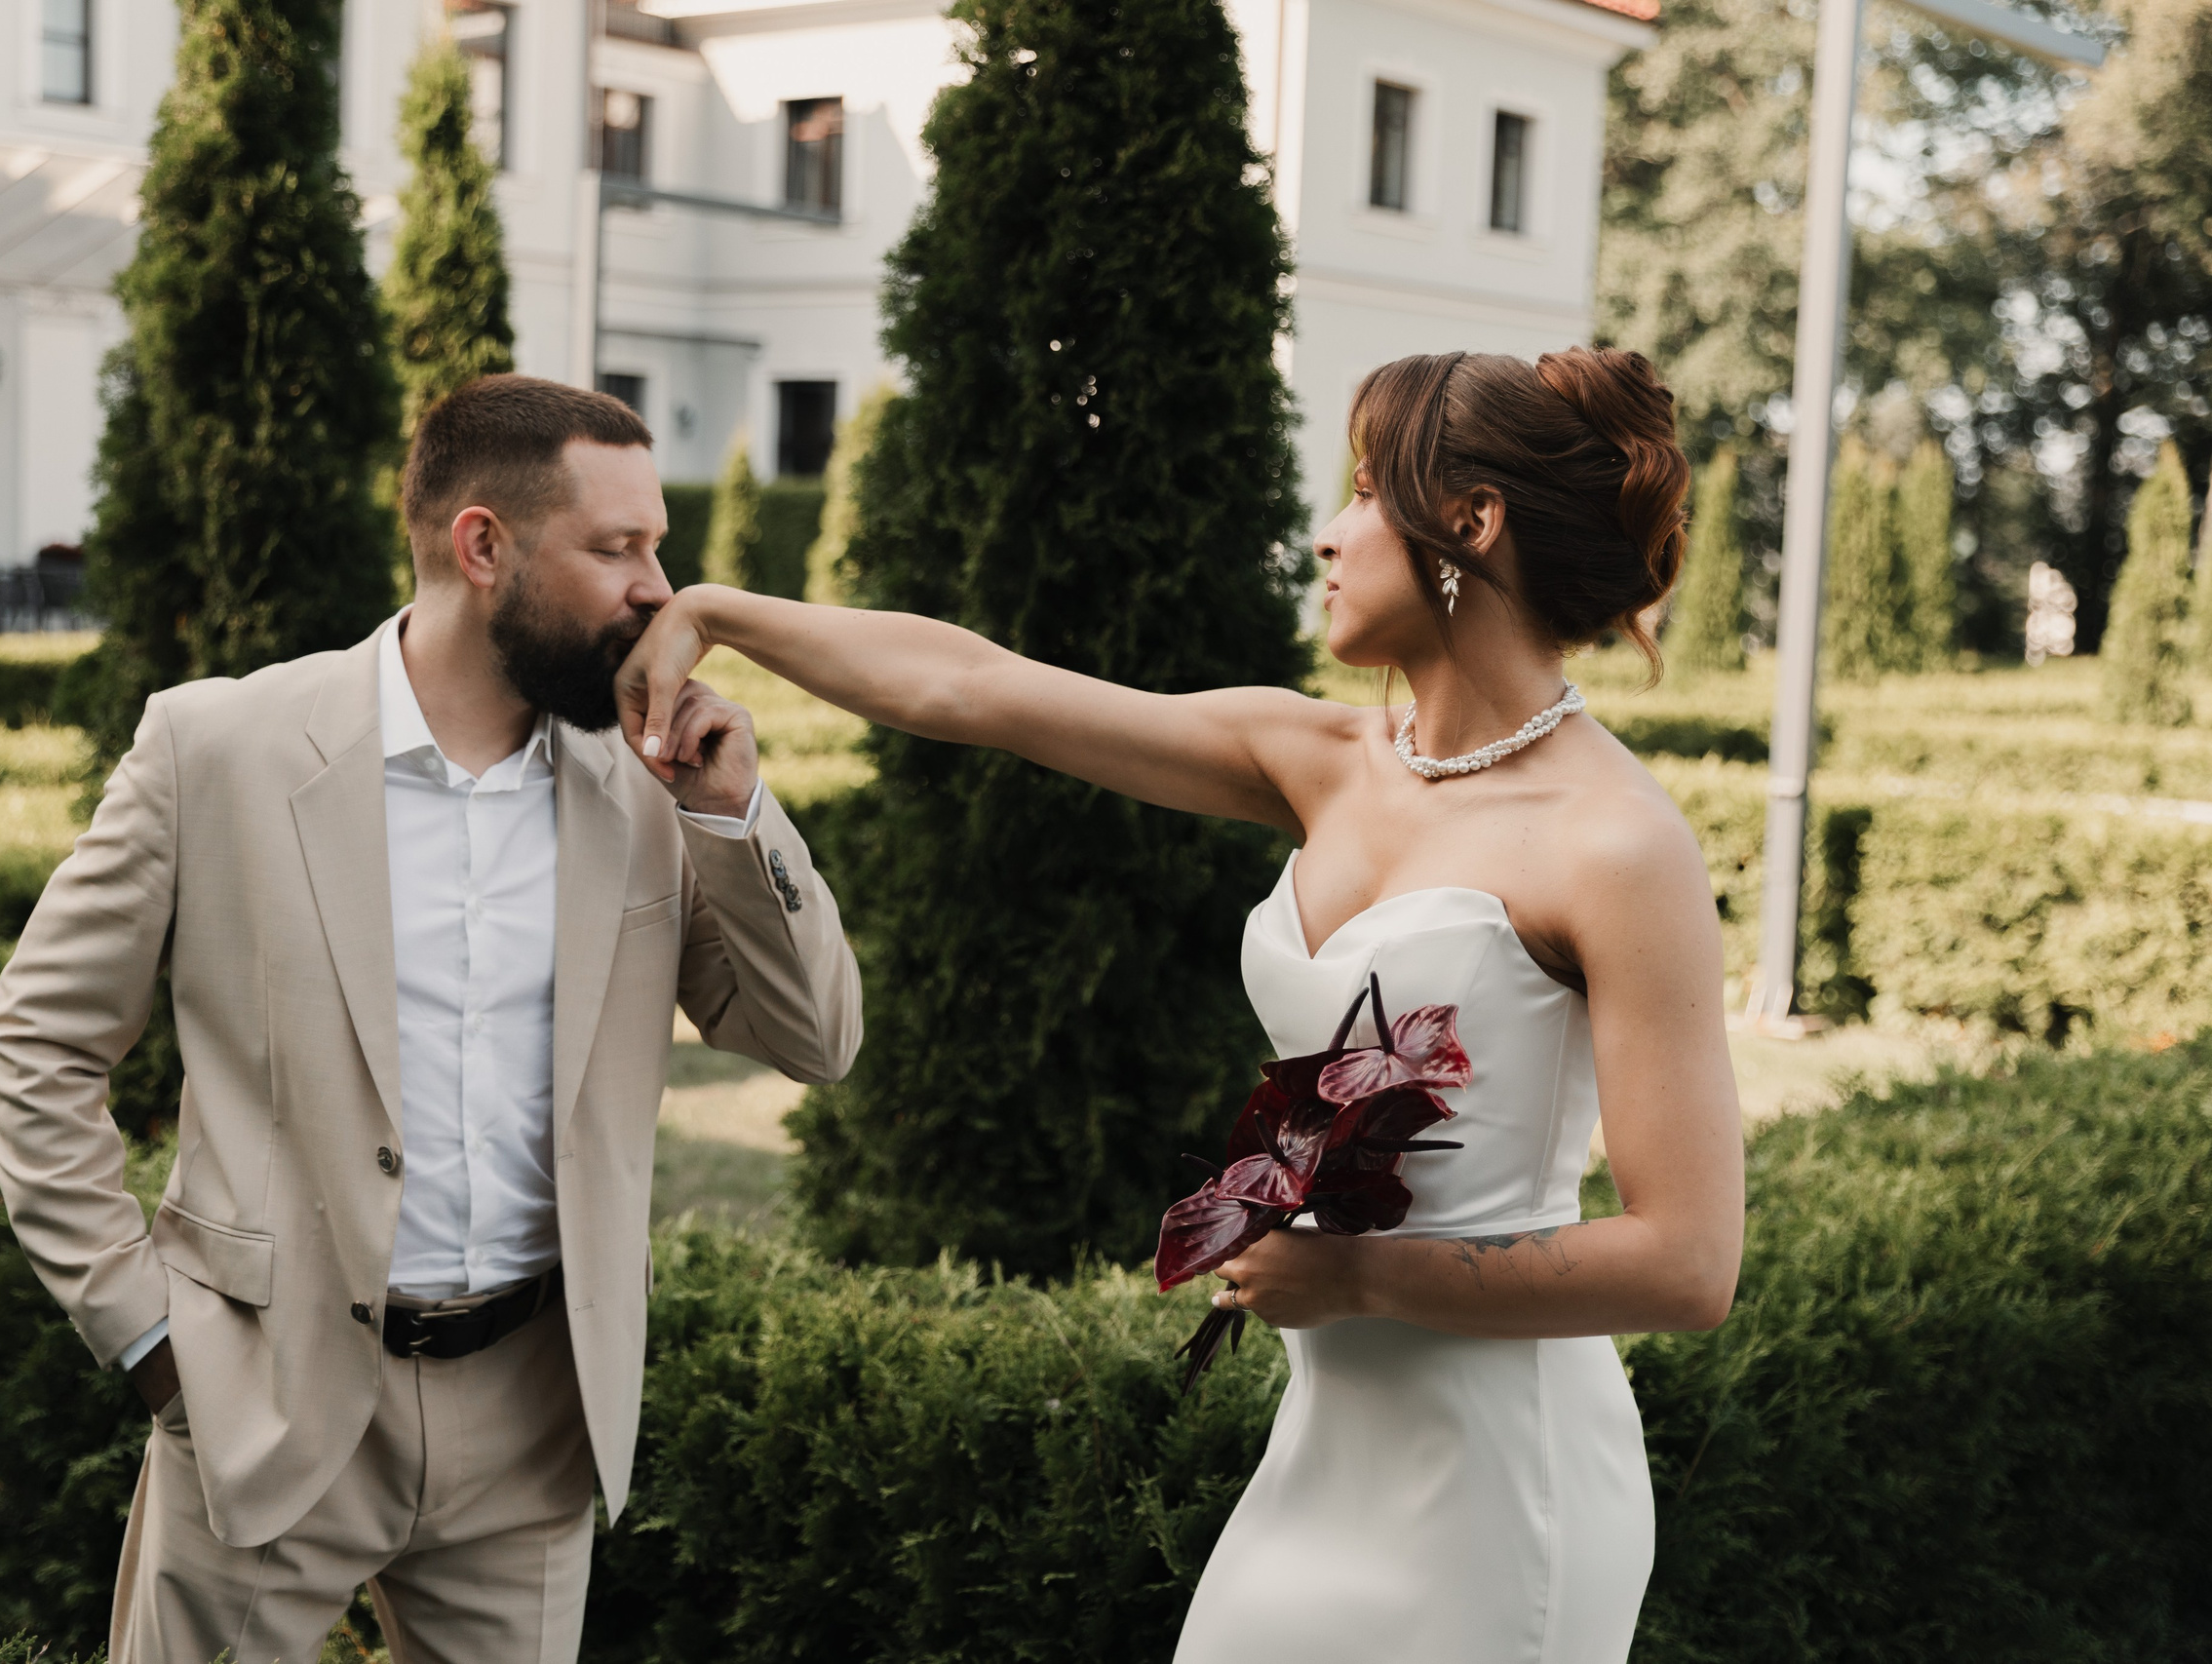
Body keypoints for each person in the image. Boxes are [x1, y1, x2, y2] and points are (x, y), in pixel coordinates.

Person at [617, 348, 1744, 1661]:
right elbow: (974, 687)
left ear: (1472, 522)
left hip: (1508, 1486)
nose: (1327, 534)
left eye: (1365, 491)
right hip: (1330, 1452)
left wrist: (1357, 1274)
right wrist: (717, 613)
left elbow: (1686, 1263)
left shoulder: (1617, 844)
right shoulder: (1319, 757)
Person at [0, 375, 862, 1664]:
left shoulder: (648, 784)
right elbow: (35, 1047)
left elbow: (817, 1038)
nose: (660, 592)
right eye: (618, 548)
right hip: (265, 1400)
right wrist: (152, 1337)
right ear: (483, 546)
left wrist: (733, 813)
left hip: (534, 1421)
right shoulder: (216, 748)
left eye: (658, 547)